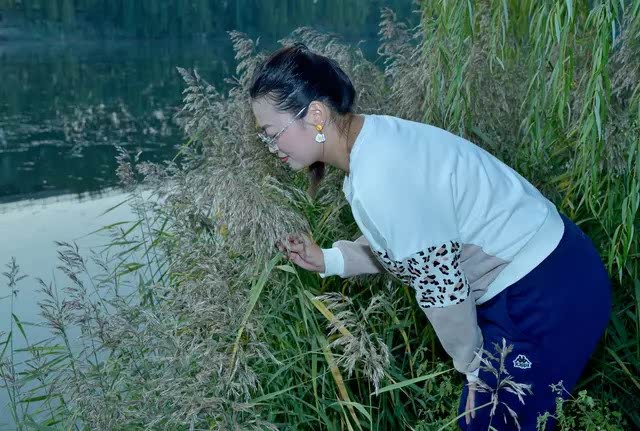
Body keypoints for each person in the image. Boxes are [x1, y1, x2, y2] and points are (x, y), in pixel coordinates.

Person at [249, 43, 612, 430]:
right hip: (540, 277)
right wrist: (330, 259)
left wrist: (473, 367)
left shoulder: (382, 173)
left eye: (273, 133)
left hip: (544, 290)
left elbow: (441, 287)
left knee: (487, 423)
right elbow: (407, 243)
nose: (272, 148)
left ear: (316, 114)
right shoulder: (373, 145)